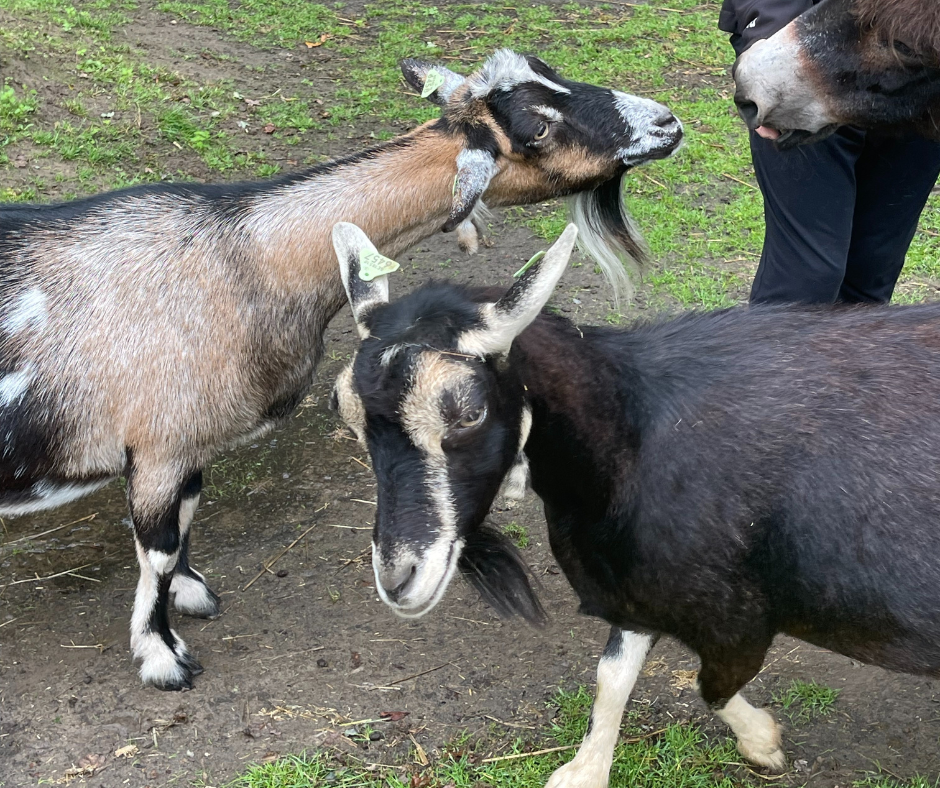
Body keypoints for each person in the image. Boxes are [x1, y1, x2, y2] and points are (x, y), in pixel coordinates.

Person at [720, 0, 940, 304]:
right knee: (804, 281)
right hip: (824, 55)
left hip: (921, 97)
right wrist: (771, 35)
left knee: (872, 271)